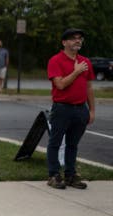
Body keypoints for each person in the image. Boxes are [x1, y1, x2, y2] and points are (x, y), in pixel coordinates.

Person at [46, 28, 95, 190]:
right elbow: (60, 85)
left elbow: (89, 88)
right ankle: (53, 175)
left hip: (81, 109)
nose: (77, 41)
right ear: (64, 42)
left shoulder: (85, 62)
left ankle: (70, 175)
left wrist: (92, 110)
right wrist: (76, 72)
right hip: (62, 109)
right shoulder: (55, 60)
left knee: (73, 144)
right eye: (73, 38)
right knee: (55, 143)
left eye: (80, 38)